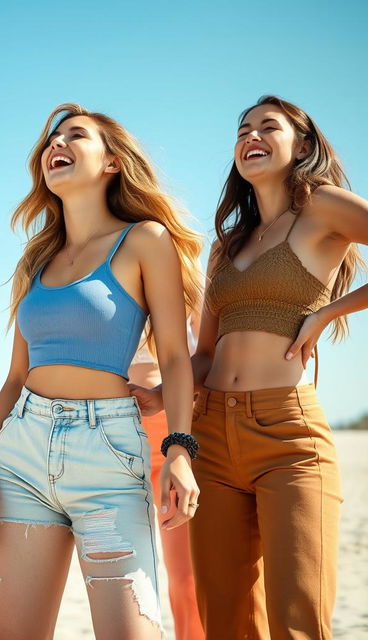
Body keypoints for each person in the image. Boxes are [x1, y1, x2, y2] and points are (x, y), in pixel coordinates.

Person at [0, 103, 203, 640]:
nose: (56, 146)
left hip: (110, 453)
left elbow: (175, 358)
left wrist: (180, 450)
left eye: (74, 136)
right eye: (51, 140)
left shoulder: (145, 240)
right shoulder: (36, 258)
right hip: (23, 452)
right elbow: (14, 376)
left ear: (112, 163)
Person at [132, 95, 368, 639]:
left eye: (268, 127)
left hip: (288, 435)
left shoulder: (324, 208)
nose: (250, 137)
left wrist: (328, 312)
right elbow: (207, 352)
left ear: (303, 145)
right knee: (226, 624)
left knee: (296, 618)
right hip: (212, 435)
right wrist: (164, 390)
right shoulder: (225, 246)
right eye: (242, 130)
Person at [127, 315, 204, 640]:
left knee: (186, 578)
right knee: (128, 578)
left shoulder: (191, 285)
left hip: (175, 439)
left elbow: (209, 358)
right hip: (117, 438)